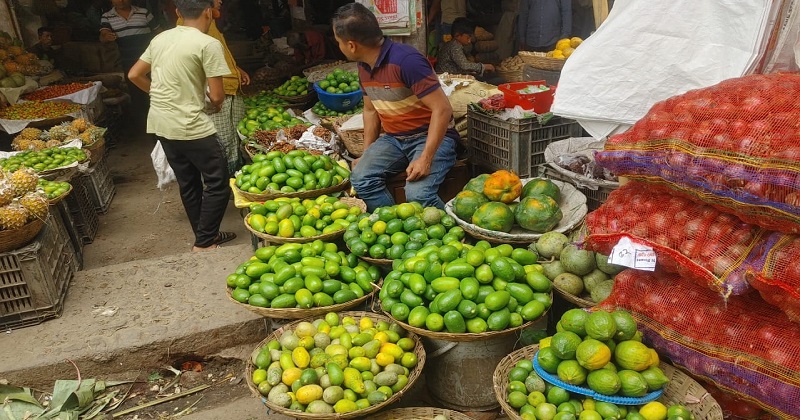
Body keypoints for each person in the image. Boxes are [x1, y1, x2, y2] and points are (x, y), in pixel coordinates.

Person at [128, 0, 236, 251]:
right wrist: (212, 105)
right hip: (191, 124)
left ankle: (205, 235)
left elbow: (134, 75)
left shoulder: (160, 39)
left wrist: (157, 93)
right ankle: (205, 241)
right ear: (209, 12)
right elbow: (218, 96)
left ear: (177, 13)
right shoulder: (208, 43)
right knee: (218, 180)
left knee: (189, 182)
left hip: (161, 122)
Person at [332, 3, 458, 211]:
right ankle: (393, 224)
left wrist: (425, 159)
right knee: (361, 178)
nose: (339, 47)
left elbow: (442, 109)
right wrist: (366, 153)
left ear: (351, 45)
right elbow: (371, 111)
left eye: (339, 42)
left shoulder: (407, 61)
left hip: (430, 137)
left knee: (418, 194)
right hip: (395, 139)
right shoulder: (364, 65)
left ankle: (455, 234)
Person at [177, 0, 250, 174]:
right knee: (222, 142)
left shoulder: (210, 24)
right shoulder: (191, 26)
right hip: (217, 90)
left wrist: (236, 69)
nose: (220, 2)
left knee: (233, 138)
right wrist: (213, 96)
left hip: (228, 86)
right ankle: (221, 182)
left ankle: (232, 178)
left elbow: (219, 55)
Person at [100, 0, 162, 72]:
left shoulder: (144, 12)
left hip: (148, 59)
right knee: (131, 80)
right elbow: (103, 36)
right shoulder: (107, 16)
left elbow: (159, 32)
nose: (121, 1)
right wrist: (106, 36)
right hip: (126, 61)